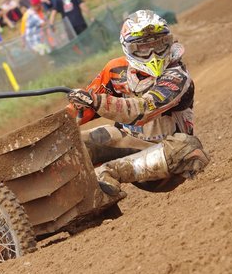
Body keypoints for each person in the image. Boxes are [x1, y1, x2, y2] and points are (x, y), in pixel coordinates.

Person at [66, 10, 210, 196]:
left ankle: (107, 173)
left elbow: (142, 111)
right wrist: (50, 133)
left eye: (159, 45)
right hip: (129, 146)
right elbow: (79, 110)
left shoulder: (176, 75)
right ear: (129, 48)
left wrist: (96, 101)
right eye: (143, 47)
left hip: (166, 163)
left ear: (169, 42)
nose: (152, 53)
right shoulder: (116, 70)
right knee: (72, 143)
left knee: (188, 146)